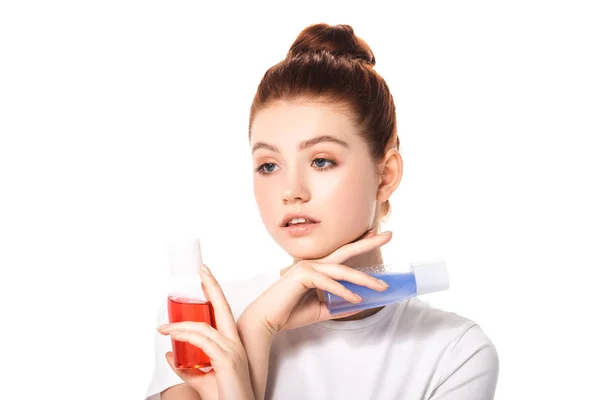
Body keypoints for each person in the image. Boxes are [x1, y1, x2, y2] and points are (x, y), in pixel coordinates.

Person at [146, 23, 499, 400]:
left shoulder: (454, 352)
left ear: (386, 175)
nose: (291, 191)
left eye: (321, 161)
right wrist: (253, 330)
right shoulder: (206, 318)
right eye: (268, 165)